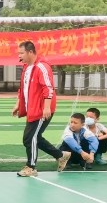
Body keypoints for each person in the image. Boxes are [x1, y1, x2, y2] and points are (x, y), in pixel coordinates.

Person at [12, 41, 70, 177]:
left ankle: (31, 167)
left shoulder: (42, 67)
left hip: (41, 109)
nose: (19, 56)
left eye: (21, 53)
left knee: (29, 138)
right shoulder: (27, 68)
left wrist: (46, 107)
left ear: (30, 52)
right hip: (32, 109)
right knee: (35, 137)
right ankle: (61, 155)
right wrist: (18, 104)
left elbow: (48, 88)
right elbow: (23, 88)